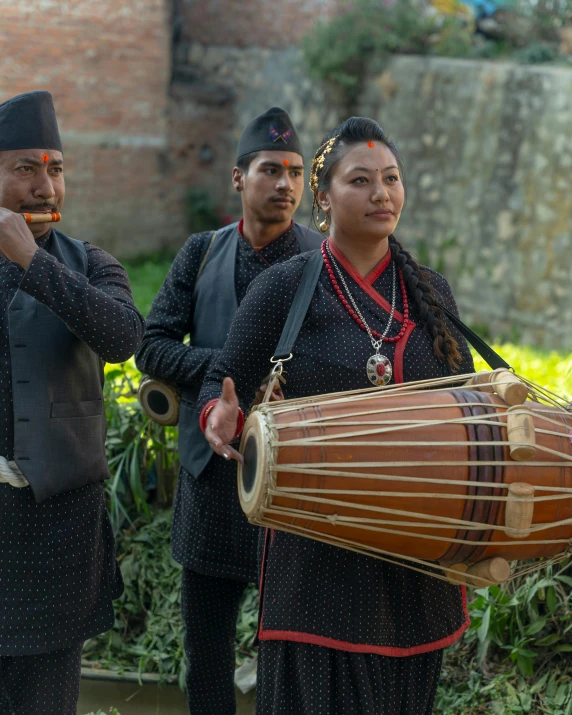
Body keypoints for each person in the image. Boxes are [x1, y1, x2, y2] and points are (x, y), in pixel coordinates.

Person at [199, 116, 476, 714]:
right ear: (323, 198)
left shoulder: (430, 292)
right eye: (361, 180)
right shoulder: (284, 289)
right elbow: (218, 385)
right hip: (316, 565)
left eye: (392, 179)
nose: (382, 194)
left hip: (414, 563)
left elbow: (469, 409)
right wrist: (217, 415)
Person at [135, 107, 322, 714]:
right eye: (270, 170)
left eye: (295, 172)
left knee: (287, 648)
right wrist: (227, 371)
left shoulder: (325, 261)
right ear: (239, 179)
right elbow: (151, 344)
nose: (285, 185)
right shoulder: (201, 252)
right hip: (209, 480)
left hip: (293, 483)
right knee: (207, 648)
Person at [0, 90, 144, 715]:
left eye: (55, 168)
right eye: (25, 168)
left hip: (57, 528)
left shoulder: (91, 264)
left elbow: (122, 339)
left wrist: (31, 260)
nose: (44, 185)